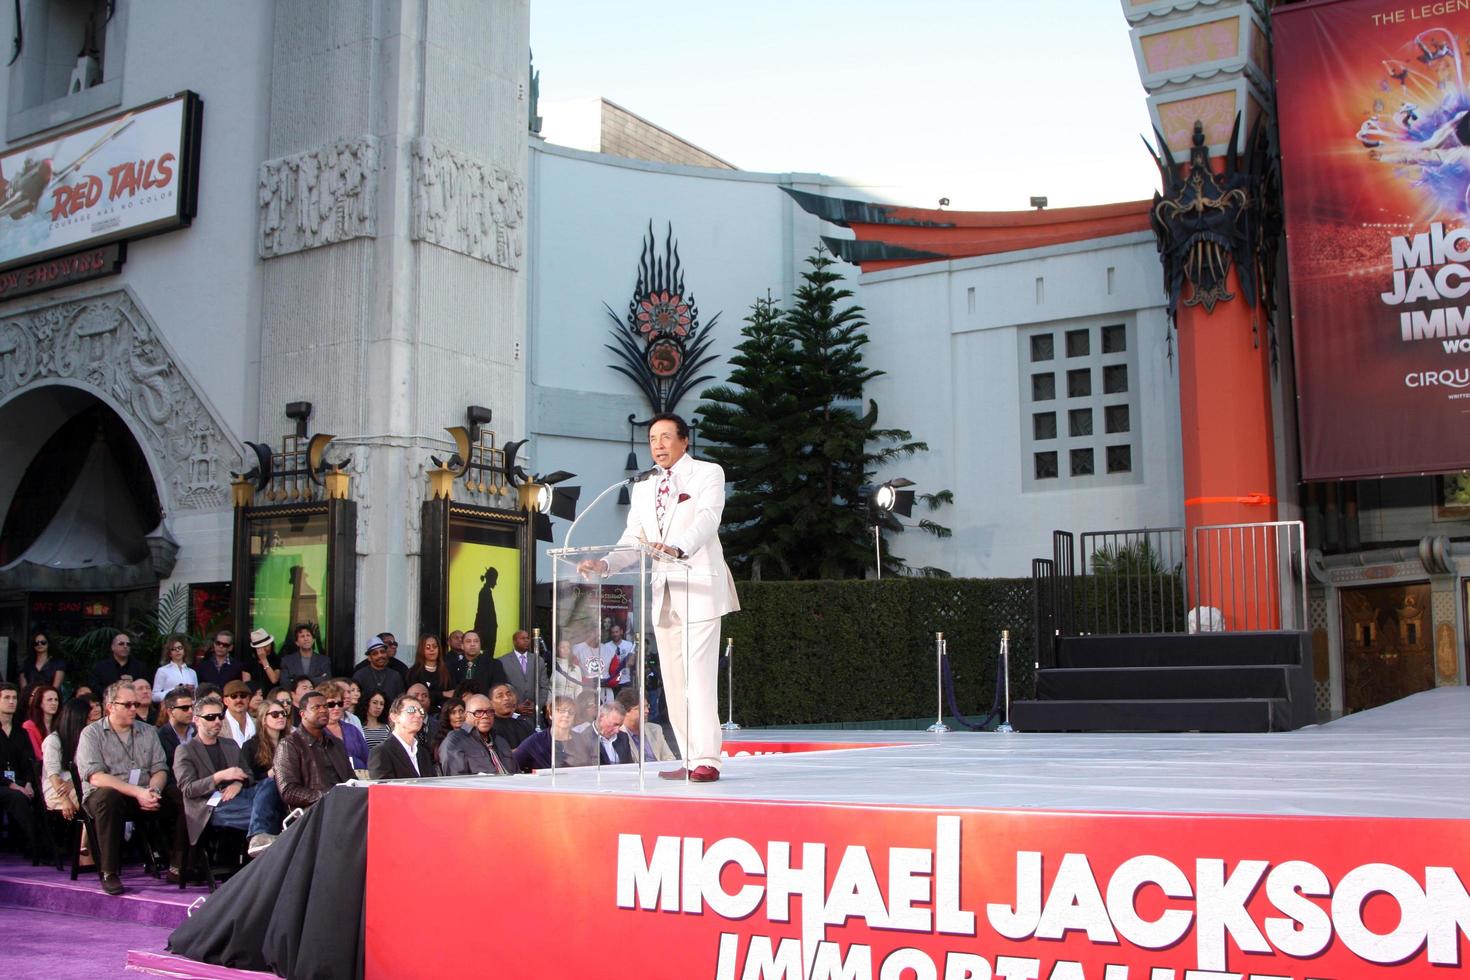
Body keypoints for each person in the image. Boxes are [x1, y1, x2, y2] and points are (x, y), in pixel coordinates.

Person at [578, 412, 739, 783]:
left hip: (697, 586)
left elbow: (708, 519)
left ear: (684, 441)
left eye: (666, 437)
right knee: (674, 681)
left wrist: (677, 548)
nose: (659, 445)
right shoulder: (644, 487)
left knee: (698, 678)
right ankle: (688, 758)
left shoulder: (707, 473)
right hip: (664, 592)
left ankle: (708, 760)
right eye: (653, 439)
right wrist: (604, 565)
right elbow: (633, 540)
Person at [75, 681, 173, 895]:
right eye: (127, 705)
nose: (133, 709)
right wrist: (137, 792)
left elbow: (160, 769)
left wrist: (153, 791)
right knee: (108, 797)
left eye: (135, 704)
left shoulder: (148, 731)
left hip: (143, 793)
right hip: (105, 796)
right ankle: (109, 871)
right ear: (110, 706)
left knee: (177, 795)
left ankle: (181, 864)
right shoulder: (91, 734)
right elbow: (96, 777)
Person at [173, 694, 267, 855]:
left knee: (269, 784)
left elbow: (249, 774)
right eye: (210, 717)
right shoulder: (185, 750)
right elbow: (188, 789)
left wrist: (237, 784)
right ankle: (265, 838)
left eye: (220, 716)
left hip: (240, 796)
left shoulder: (230, 744)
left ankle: (263, 838)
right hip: (210, 806)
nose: (217, 721)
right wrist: (220, 776)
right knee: (263, 811)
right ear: (196, 720)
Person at [274, 691, 353, 812]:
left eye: (325, 706)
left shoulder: (336, 743)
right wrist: (328, 795)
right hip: (313, 812)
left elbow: (351, 779)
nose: (323, 710)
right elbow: (288, 791)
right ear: (303, 714)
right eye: (316, 707)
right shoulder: (289, 745)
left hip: (344, 806)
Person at [42, 697, 93, 864]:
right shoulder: (53, 740)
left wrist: (74, 784)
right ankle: (84, 846)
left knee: (93, 794)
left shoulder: (83, 740)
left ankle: (87, 846)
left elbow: (83, 771)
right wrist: (65, 800)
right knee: (90, 796)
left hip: (76, 786)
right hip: (57, 790)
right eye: (86, 719)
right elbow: (53, 774)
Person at [240, 697, 291, 855]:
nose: (281, 717)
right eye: (275, 714)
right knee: (270, 782)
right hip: (259, 790)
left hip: (287, 789)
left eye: (283, 713)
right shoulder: (250, 745)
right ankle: (259, 834)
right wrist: (268, 774)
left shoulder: (292, 743)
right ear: (263, 719)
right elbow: (247, 778)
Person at [512, 695, 593, 772]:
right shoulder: (536, 741)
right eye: (561, 711)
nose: (566, 715)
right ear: (550, 714)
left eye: (571, 712)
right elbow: (512, 764)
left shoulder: (583, 741)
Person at [0, 682, 36, 856]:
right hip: (3, 784)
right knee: (15, 797)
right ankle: (34, 847)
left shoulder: (21, 732)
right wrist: (12, 785)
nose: (11, 701)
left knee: (35, 794)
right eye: (6, 697)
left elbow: (29, 762)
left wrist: (29, 783)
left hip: (20, 782)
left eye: (14, 697)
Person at [438, 694, 511, 775]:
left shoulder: (500, 741)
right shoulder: (455, 741)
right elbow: (455, 780)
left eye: (489, 712)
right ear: (466, 716)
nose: (485, 716)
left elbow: (515, 772)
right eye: (478, 712)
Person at [367, 694, 437, 779]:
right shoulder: (381, 752)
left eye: (421, 711)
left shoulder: (423, 753)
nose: (419, 715)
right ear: (394, 717)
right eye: (411, 710)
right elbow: (383, 790)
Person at [616, 687, 675, 762]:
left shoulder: (655, 729)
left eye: (647, 706)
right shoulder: (617, 735)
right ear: (625, 712)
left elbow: (669, 758)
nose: (647, 711)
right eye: (641, 708)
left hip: (659, 771)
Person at [500, 629, 548, 710]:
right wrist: (514, 707)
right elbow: (500, 688)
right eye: (522, 638)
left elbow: (544, 687)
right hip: (512, 713)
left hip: (533, 714)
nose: (526, 640)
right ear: (514, 641)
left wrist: (537, 706)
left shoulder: (538, 660)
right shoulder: (503, 661)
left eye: (528, 638)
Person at [449, 629, 503, 695]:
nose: (472, 644)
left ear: (480, 645)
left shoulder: (494, 665)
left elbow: (498, 690)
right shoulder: (453, 666)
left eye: (476, 641)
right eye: (468, 641)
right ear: (462, 646)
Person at [352, 638, 405, 704]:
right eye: (375, 653)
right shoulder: (360, 675)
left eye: (382, 652)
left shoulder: (395, 675)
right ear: (369, 658)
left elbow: (401, 700)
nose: (380, 655)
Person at [155, 686, 195, 775]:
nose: (190, 711)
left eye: (192, 707)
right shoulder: (159, 737)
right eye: (185, 708)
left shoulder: (198, 731)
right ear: (170, 711)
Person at [406, 634, 451, 710]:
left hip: (443, 713)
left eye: (435, 646)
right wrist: (443, 694)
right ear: (421, 650)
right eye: (427, 647)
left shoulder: (447, 670)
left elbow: (451, 694)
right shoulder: (413, 672)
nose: (432, 650)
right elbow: (413, 696)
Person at [279, 624, 330, 689]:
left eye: (308, 635)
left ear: (313, 640)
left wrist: (295, 681)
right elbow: (285, 684)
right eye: (302, 636)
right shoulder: (287, 661)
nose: (306, 639)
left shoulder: (324, 660)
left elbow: (326, 681)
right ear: (297, 643)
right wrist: (316, 679)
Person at [152, 636, 198, 705]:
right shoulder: (162, 671)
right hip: (171, 708)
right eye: (173, 649)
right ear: (169, 653)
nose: (177, 651)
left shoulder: (192, 672)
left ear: (184, 651)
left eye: (180, 648)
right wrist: (174, 691)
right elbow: (154, 696)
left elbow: (196, 695)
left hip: (190, 709)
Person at [487, 682, 533, 751]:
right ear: (490, 703)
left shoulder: (524, 724)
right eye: (500, 696)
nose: (506, 698)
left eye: (509, 694)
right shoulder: (489, 727)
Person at [23, 684, 59, 762]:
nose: (54, 703)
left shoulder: (60, 725)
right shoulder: (29, 726)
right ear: (40, 703)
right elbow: (37, 755)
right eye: (49, 700)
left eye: (56, 700)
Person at [601, 623, 637, 697]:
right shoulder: (606, 646)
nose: (615, 634)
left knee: (625, 705)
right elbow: (604, 664)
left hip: (625, 681)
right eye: (613, 632)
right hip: (611, 681)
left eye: (616, 632)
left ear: (621, 632)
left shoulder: (629, 645)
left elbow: (631, 662)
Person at [221, 680, 256, 747]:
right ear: (225, 701)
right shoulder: (219, 725)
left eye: (243, 696)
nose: (239, 700)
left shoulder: (258, 723)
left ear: (248, 699)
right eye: (233, 696)